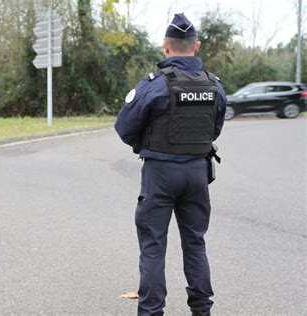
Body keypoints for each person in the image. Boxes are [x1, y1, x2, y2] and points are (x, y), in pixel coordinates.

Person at [115, 13, 227, 316]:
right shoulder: (214, 86)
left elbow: (124, 128)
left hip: (160, 174)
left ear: (166, 48)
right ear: (197, 46)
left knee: (153, 245)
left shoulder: (154, 85)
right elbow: (214, 129)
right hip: (197, 173)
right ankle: (202, 311)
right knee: (195, 243)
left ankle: (151, 312)